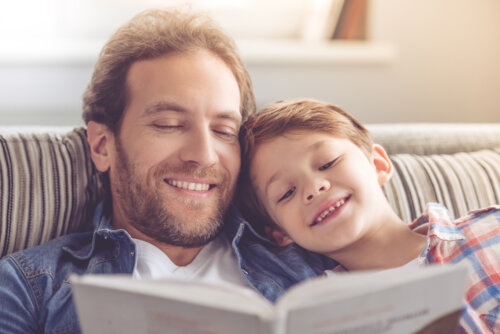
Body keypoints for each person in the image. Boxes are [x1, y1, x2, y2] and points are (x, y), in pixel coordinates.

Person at [0, 10, 334, 333]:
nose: (204, 156)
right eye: (168, 125)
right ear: (103, 145)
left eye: (223, 131)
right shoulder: (29, 288)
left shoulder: (307, 260)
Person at [236, 98, 500, 333]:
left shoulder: (491, 231)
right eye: (287, 192)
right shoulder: (322, 314)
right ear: (280, 232)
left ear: (378, 165)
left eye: (327, 163)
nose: (313, 188)